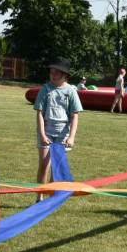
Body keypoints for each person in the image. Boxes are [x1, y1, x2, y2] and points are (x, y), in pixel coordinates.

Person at [34, 57, 82, 195]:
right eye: (51, 72)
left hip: (62, 135)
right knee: (44, 165)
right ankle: (40, 196)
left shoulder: (71, 91)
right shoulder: (46, 89)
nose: (53, 75)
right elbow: (40, 113)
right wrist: (42, 134)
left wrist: (71, 137)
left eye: (57, 72)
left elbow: (74, 116)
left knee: (56, 168)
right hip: (46, 133)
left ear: (65, 74)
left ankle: (52, 197)